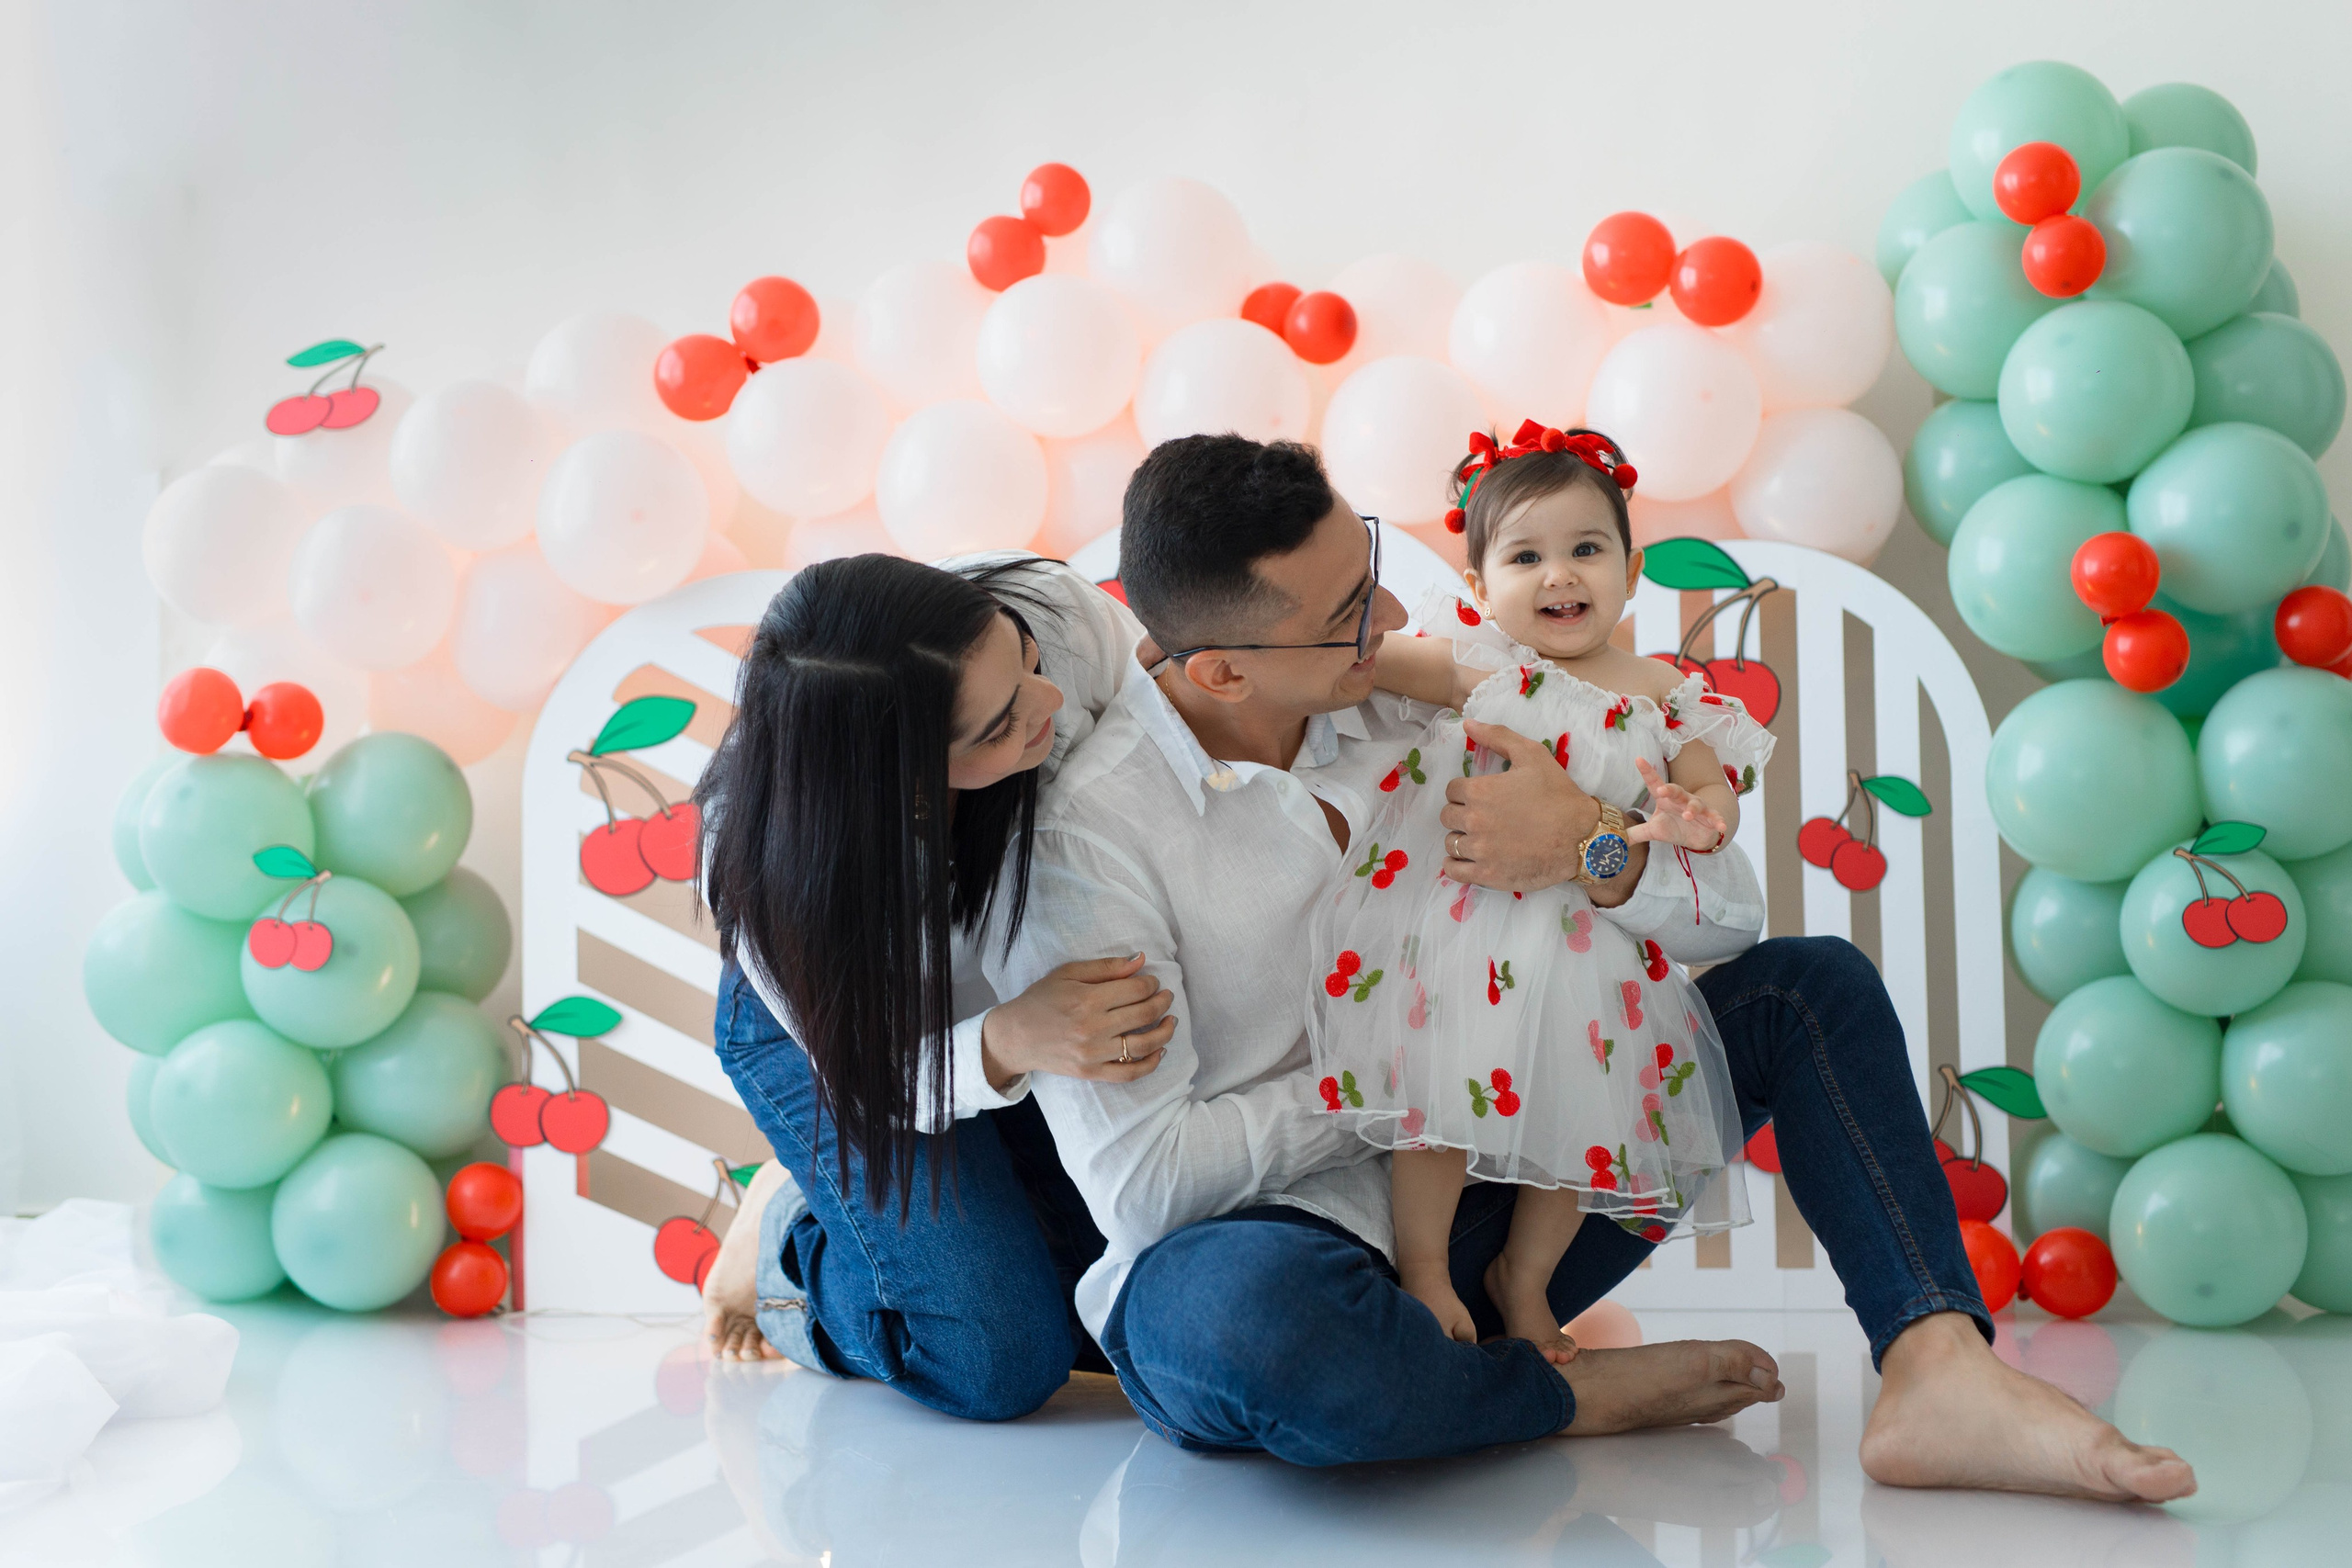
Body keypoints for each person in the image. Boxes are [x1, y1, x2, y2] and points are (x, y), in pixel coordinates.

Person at [987, 432, 2197, 1500]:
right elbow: (1147, 1182)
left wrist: (1592, 845)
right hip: (1283, 1248)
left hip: (1512, 1185)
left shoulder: (1430, 683)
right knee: (1257, 1334)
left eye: (1370, 579)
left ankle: (1939, 1367)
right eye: (1345, 617)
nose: (1389, 625)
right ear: (1222, 669)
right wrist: (1410, 1066)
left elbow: (1727, 914)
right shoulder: (1099, 833)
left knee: (1807, 984)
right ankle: (1562, 1393)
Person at [1310, 422, 1770, 1365]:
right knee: (1432, 1114)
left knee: (1581, 1123)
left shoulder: (1664, 691)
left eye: (1585, 549)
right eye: (1527, 556)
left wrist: (1700, 814)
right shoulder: (1487, 667)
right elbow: (1364, 663)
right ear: (1479, 589)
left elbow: (1707, 777)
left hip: (1588, 957)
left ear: (1632, 569)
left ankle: (1525, 1281)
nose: (1560, 575)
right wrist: (1312, 646)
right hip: (1463, 937)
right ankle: (1427, 1271)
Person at [694, 551, 1176, 1421]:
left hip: (1001, 989)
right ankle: (788, 1258)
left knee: (1131, 1284)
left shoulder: (1051, 616)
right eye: (998, 728)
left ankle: (823, 1187)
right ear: (899, 782)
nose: (1051, 702)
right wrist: (1009, 1039)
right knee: (995, 1353)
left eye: (1023, 658)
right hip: (848, 1037)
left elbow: (1172, 750)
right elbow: (876, 1073)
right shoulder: (789, 875)